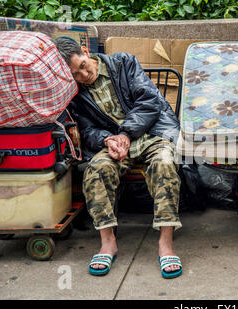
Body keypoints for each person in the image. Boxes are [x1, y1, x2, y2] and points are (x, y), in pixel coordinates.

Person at [54, 38, 183, 279]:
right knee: (96, 170)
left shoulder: (123, 63)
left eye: (83, 65)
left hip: (151, 133)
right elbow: (86, 130)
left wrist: (125, 133)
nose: (84, 75)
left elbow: (149, 100)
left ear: (85, 52)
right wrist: (107, 140)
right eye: (75, 74)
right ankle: (107, 242)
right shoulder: (75, 93)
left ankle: (166, 243)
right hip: (116, 145)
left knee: (164, 164)